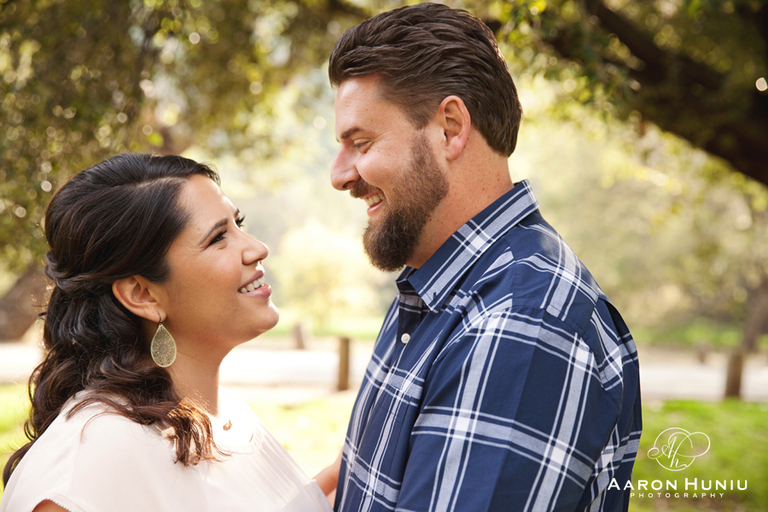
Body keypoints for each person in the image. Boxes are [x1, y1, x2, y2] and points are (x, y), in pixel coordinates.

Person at [325, 3, 642, 511]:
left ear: (450, 128)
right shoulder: (438, 282)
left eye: (360, 142)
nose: (340, 174)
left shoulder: (521, 322)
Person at [0, 154, 334, 512]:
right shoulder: (94, 460)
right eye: (219, 237)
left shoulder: (224, 414)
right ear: (143, 295)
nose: (257, 248)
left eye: (238, 223)